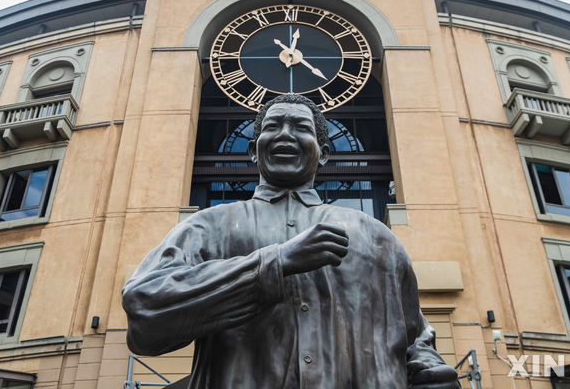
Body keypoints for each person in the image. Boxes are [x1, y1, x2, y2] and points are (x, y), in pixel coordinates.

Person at [122, 94, 460, 388]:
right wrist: (274, 264)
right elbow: (144, 310)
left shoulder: (377, 238)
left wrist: (429, 368)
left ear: (324, 153)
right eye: (273, 127)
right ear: (253, 153)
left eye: (300, 127)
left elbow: (415, 337)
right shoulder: (207, 227)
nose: (285, 134)